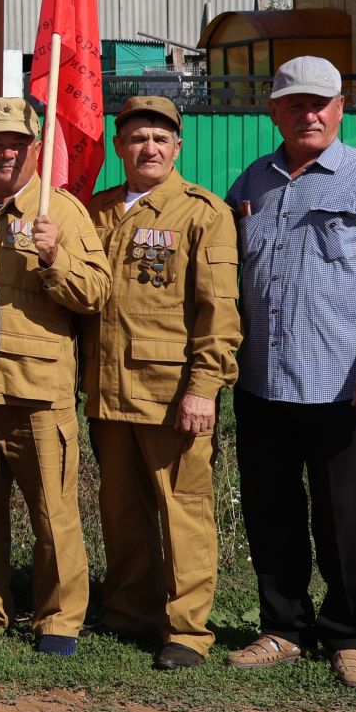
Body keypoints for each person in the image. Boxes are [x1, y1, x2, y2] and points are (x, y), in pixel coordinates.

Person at [225, 57, 356, 690]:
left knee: (342, 514)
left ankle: (348, 634)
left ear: (341, 108)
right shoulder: (252, 182)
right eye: (294, 103)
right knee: (270, 508)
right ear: (273, 110)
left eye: (321, 103)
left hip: (340, 381)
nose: (308, 113)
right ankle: (283, 626)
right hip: (261, 380)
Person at [0, 98, 108, 656]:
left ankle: (58, 619)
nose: (4, 151)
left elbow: (95, 294)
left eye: (16, 142)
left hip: (38, 388)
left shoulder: (59, 212)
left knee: (53, 510)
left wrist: (56, 256)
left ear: (35, 147)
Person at [84, 95, 241, 671]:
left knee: (184, 511)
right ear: (119, 148)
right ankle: (130, 611)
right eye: (136, 139)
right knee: (121, 508)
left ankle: (187, 629)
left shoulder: (203, 213)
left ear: (177, 147)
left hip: (172, 393)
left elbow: (218, 310)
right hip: (106, 389)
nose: (148, 148)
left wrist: (204, 386)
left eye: (160, 138)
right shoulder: (97, 211)